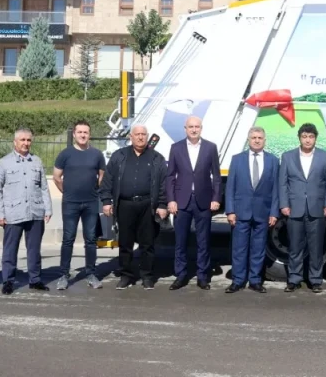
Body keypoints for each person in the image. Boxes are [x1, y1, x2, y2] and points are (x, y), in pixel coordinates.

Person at [101, 124, 167, 290]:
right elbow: (108, 179)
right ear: (131, 137)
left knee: (147, 243)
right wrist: (107, 201)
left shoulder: (156, 158)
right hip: (125, 204)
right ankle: (126, 276)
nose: (140, 137)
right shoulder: (119, 156)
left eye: (143, 134)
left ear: (147, 136)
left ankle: (147, 276)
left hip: (147, 205)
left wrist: (162, 204)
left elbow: (163, 183)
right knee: (125, 243)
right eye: (137, 134)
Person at [0, 129, 53, 295]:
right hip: (13, 213)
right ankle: (8, 281)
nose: (26, 143)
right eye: (22, 140)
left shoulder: (37, 161)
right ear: (15, 142)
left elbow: (44, 187)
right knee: (10, 249)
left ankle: (35, 279)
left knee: (34, 249)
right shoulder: (4, 163)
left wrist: (48, 208)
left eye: (28, 140)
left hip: (35, 212)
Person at [166, 116, 221, 290]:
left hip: (203, 201)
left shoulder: (210, 147)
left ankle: (202, 276)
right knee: (180, 241)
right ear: (185, 129)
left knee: (203, 241)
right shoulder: (176, 148)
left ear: (201, 128)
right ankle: (181, 275)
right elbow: (170, 176)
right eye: (191, 127)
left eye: (197, 126)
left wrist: (216, 198)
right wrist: (171, 199)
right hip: (182, 201)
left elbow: (217, 176)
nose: (194, 129)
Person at [280, 122, 326, 293]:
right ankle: (294, 279)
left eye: (311, 136)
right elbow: (283, 183)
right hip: (294, 208)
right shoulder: (287, 157)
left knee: (316, 248)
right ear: (299, 138)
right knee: (295, 247)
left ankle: (315, 280)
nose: (308, 140)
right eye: (304, 136)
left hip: (317, 208)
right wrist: (284, 204)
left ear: (315, 138)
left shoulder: (324, 157)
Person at [225, 127, 280, 293]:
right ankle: (238, 280)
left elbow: (276, 189)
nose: (257, 140)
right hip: (241, 212)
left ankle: (255, 280)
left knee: (258, 248)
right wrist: (230, 211)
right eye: (254, 137)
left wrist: (274, 212)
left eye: (260, 138)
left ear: (265, 140)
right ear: (248, 140)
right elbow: (230, 187)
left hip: (263, 212)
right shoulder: (237, 159)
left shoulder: (273, 160)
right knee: (239, 248)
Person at [52, 121, 106, 290]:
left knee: (90, 240)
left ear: (89, 135)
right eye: (80, 132)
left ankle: (91, 274)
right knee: (68, 239)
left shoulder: (97, 154)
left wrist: (93, 191)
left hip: (91, 203)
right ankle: (63, 275)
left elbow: (101, 176)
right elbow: (56, 177)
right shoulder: (65, 154)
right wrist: (67, 191)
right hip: (70, 203)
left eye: (86, 132)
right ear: (74, 134)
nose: (83, 135)